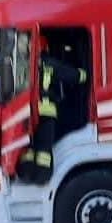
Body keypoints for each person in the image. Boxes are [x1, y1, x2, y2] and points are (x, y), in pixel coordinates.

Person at [18, 40, 87, 184]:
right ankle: (42, 177)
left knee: (30, 147)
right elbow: (73, 75)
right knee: (44, 148)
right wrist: (85, 73)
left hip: (27, 113)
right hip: (47, 111)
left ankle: (27, 173)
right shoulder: (49, 64)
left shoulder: (22, 65)